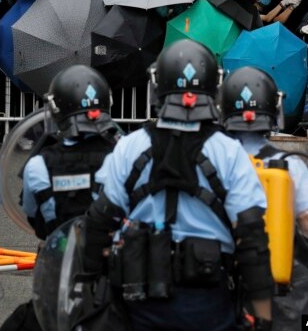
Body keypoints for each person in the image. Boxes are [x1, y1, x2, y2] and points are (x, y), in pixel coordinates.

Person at [83, 40, 273, 331]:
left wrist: (88, 291)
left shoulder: (129, 147)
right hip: (208, 299)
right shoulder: (229, 151)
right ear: (214, 86)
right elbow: (251, 236)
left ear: (157, 84)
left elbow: (99, 222)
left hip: (138, 298)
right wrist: (263, 316)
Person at [219, 66, 308, 330]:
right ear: (274, 108)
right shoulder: (291, 165)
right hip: (279, 282)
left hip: (220, 279)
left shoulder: (212, 161)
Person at [22, 65, 120, 240]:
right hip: (110, 258)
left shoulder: (37, 166)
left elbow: (31, 214)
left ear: (55, 108)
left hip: (56, 256)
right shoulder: (122, 157)